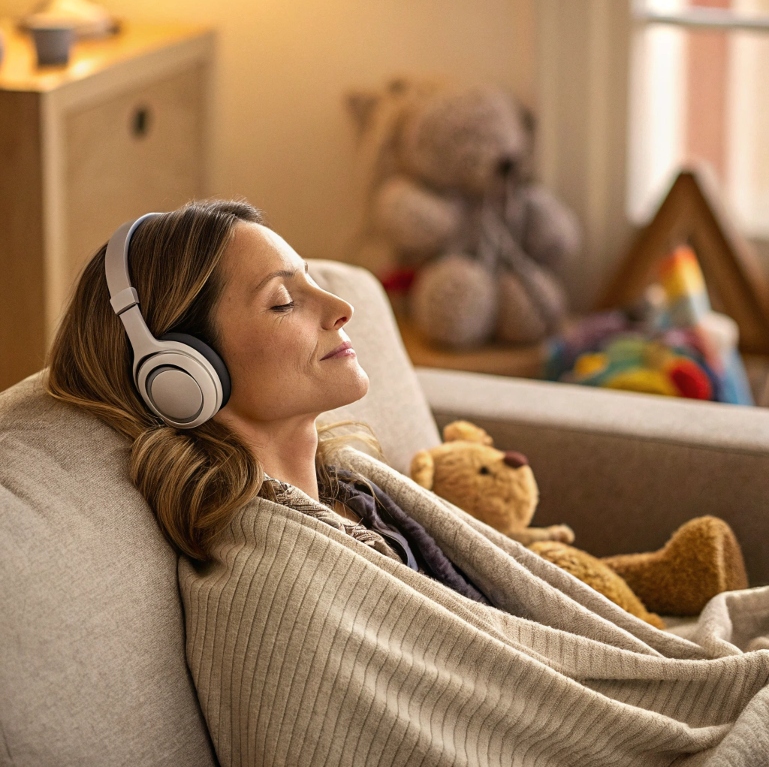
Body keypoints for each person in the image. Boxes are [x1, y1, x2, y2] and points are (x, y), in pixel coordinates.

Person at [46, 200, 769, 767]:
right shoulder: (272, 595)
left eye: (312, 282)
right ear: (181, 376)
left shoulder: (356, 485)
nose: (339, 307)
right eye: (282, 300)